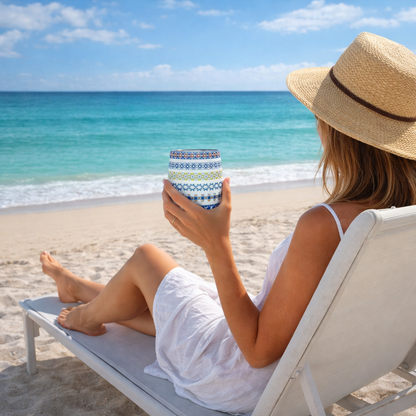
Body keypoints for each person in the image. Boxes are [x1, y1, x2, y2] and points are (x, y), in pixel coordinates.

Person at [39, 32, 416, 414]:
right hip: (323, 369)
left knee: (147, 258)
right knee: (182, 300)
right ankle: (79, 287)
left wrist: (217, 244)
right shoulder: (402, 219)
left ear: (338, 132)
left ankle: (85, 318)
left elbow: (256, 352)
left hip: (246, 381)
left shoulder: (325, 225)